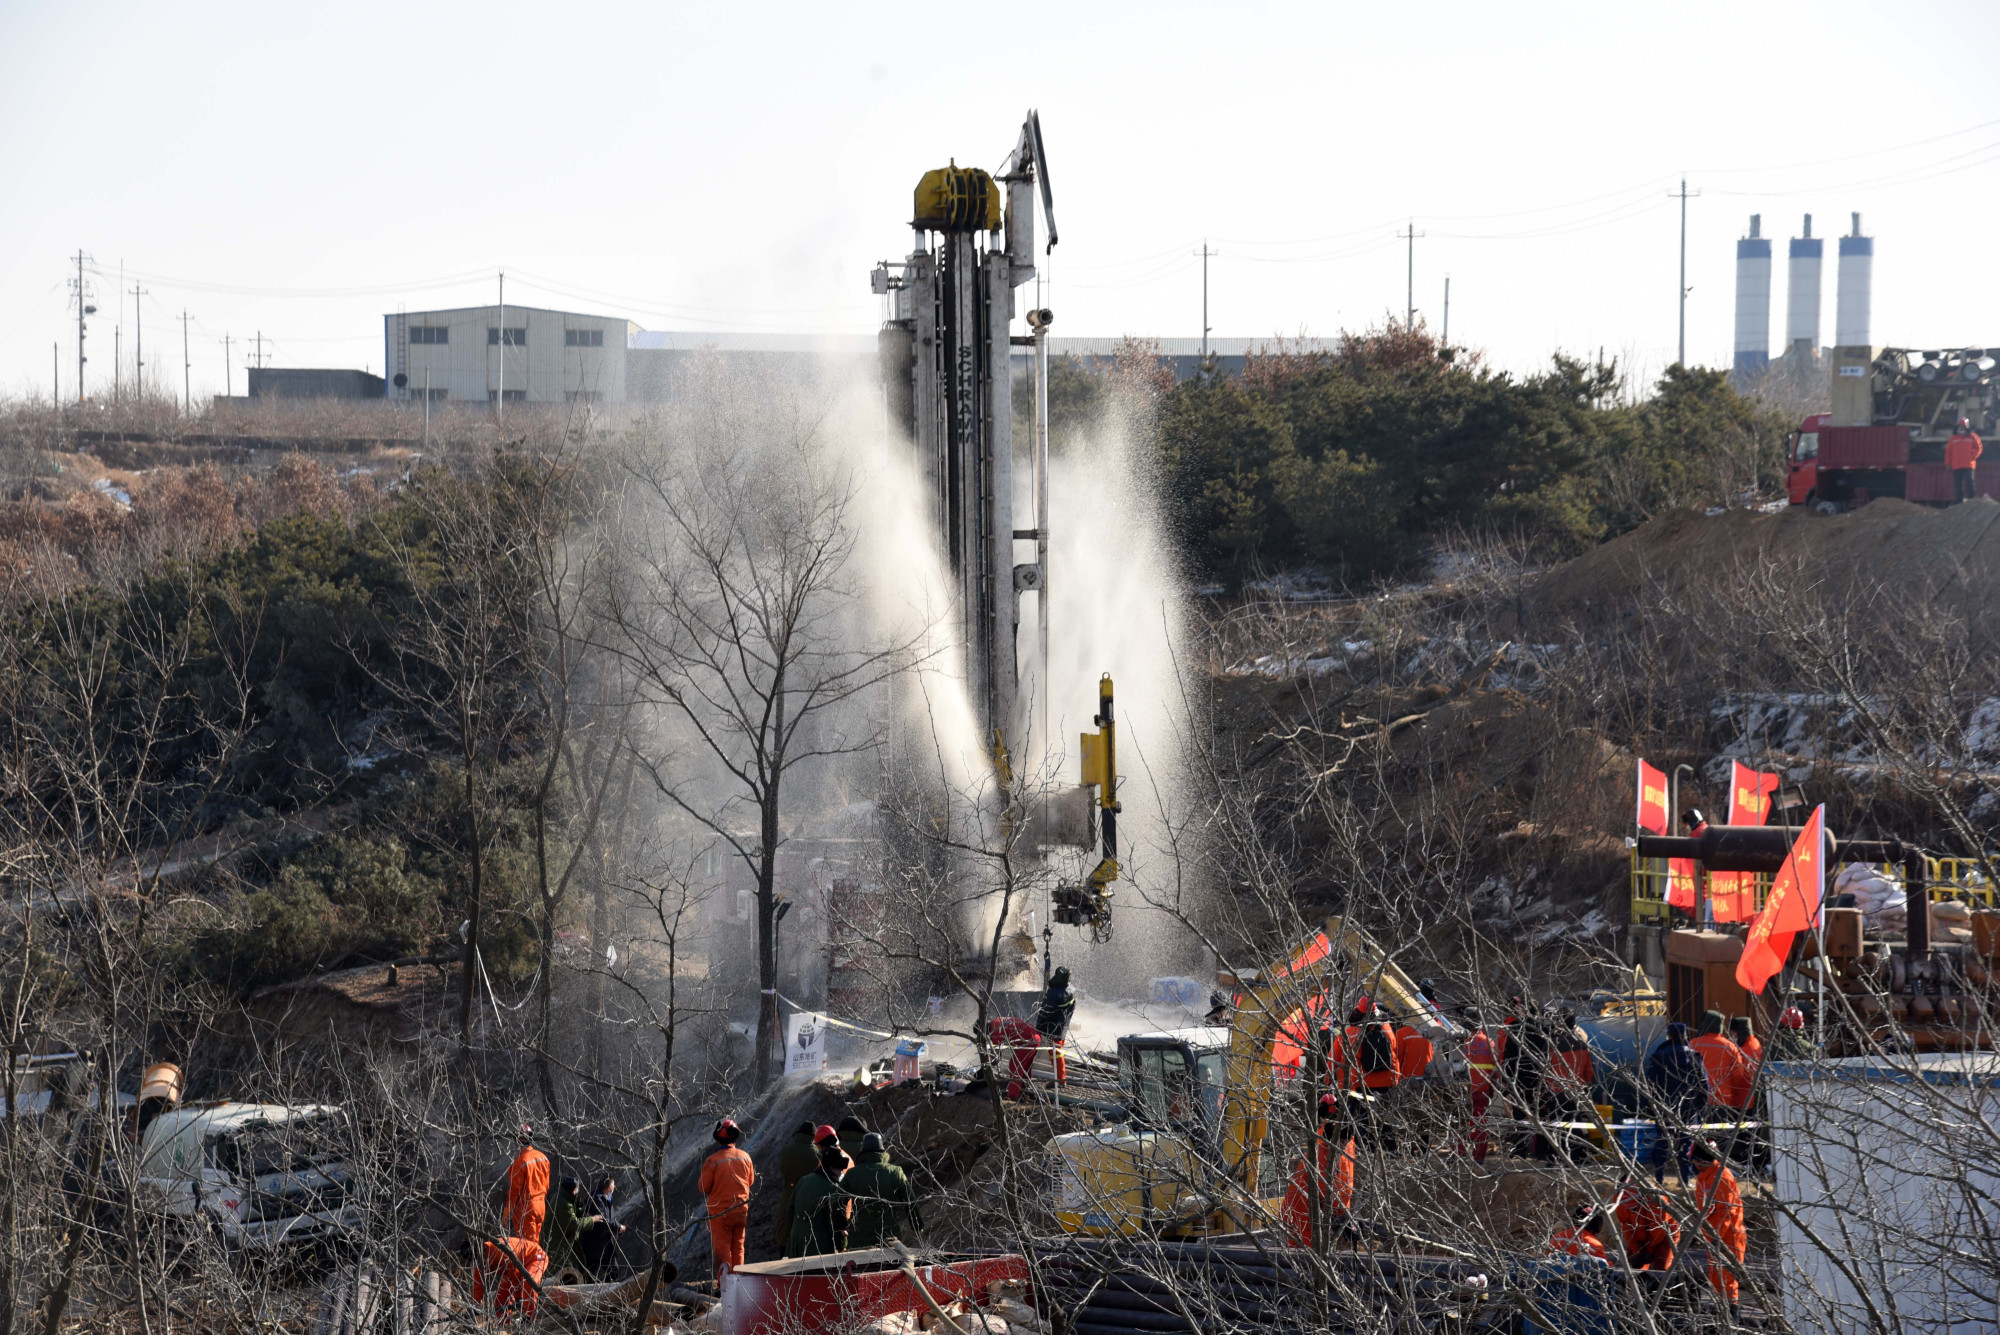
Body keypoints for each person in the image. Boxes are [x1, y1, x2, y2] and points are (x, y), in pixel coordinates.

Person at [1280, 1094, 1357, 1247]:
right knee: (1306, 1254)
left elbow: (1343, 1183)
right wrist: (1341, 1216)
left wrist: (1344, 1215)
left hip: (1312, 1207)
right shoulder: (1325, 1146)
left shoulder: (1342, 1143)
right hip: (1304, 1209)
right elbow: (1326, 1186)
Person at [1645, 1022, 1708, 1183]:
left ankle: (1659, 1179)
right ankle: (1685, 1181)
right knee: (1685, 1144)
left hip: (1663, 1106)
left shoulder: (1658, 1056)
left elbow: (1649, 1083)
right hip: (1687, 1107)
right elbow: (1703, 1084)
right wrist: (1701, 1106)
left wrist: (1651, 1107)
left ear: (1669, 1036)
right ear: (1685, 1035)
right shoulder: (1694, 1056)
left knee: (1662, 1142)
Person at [1692, 1139, 1748, 1311]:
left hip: (1728, 1237)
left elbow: (1725, 1213)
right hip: (1715, 1236)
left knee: (1728, 1281)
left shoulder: (1721, 1177)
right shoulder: (1706, 1176)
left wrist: (1713, 1237)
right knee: (1716, 1279)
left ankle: (1731, 1316)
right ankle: (1721, 1316)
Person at [843, 1132, 922, 1249]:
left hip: (859, 1237)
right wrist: (917, 1225)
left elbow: (836, 1202)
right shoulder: (895, 1172)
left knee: (861, 1267)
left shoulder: (852, 1174)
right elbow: (909, 1200)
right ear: (882, 1151)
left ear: (863, 1151)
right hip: (889, 1237)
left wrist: (841, 1226)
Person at [698, 1118, 755, 1277]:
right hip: (741, 1210)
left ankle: (725, 1287)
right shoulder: (745, 1157)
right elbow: (750, 1181)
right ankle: (740, 1282)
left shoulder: (713, 1160)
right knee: (738, 1247)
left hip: (720, 1212)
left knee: (722, 1249)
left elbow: (703, 1187)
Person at [790, 1143, 852, 1257]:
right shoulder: (833, 1189)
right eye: (839, 1170)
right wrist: (842, 1245)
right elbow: (837, 1221)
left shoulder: (804, 1180)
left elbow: (790, 1210)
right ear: (832, 1169)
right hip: (819, 1247)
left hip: (796, 1244)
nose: (841, 1173)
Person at [1612, 1173, 1680, 1271]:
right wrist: (1637, 1251)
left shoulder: (1655, 1199)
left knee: (1661, 1269)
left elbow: (1658, 1228)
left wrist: (1649, 1250)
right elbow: (1626, 1227)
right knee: (1632, 1266)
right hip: (1639, 1233)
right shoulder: (1619, 1198)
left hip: (1666, 1234)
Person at [1690, 1011, 1754, 1114]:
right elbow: (1738, 1076)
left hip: (1697, 1098)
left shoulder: (1693, 1044)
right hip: (1721, 1100)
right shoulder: (1731, 1047)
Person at [545, 1177, 606, 1283]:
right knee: (564, 1272)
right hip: (557, 1243)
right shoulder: (562, 1203)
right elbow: (574, 1224)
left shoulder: (564, 1197)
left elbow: (573, 1212)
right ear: (573, 1190)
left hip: (564, 1240)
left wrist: (582, 1213)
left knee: (574, 1269)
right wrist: (592, 1219)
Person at [775, 1122, 821, 1257]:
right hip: (810, 1195)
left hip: (789, 1192)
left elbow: (783, 1171)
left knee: (786, 1231)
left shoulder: (786, 1151)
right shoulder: (818, 1154)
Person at [476, 1235, 549, 1320]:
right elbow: (477, 1283)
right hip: (517, 1266)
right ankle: (502, 1324)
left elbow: (515, 1275)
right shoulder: (478, 1259)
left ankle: (530, 1317)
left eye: (479, 1261)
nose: (479, 1264)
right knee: (501, 1295)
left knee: (528, 1281)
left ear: (482, 1253)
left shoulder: (499, 1250)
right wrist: (475, 1305)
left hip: (536, 1257)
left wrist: (518, 1296)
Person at [1462, 1008, 1500, 1162]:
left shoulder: (1460, 1042)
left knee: (1460, 1123)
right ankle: (1478, 1157)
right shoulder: (1489, 1042)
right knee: (1481, 1124)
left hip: (1463, 1090)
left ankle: (1459, 1155)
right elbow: (1495, 1069)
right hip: (1483, 1089)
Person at [505, 1125, 551, 1246]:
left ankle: (527, 1265)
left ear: (517, 1140)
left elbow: (514, 1192)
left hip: (527, 1207)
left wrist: (506, 1215)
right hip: (541, 1205)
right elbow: (546, 1185)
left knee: (527, 1246)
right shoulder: (543, 1157)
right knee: (536, 1243)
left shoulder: (520, 1162)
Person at [579, 1176, 628, 1279]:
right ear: (609, 1188)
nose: (615, 1187)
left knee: (613, 1271)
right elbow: (602, 1221)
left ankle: (608, 1293)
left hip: (606, 1244)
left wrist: (618, 1228)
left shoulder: (607, 1199)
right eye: (613, 1185)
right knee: (592, 1276)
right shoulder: (596, 1199)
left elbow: (611, 1219)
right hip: (594, 1245)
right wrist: (618, 1227)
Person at [1034, 965, 1078, 1083]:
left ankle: (1060, 1080)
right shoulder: (1072, 989)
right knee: (1057, 1052)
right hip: (1063, 1026)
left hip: (1054, 1027)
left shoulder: (1054, 993)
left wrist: (1038, 1026)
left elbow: (1046, 1012)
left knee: (1056, 1053)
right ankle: (1059, 1078)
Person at [1949, 417, 1984, 503]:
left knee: (1969, 482)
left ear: (1966, 427)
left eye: (1963, 426)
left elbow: (1979, 448)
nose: (1961, 428)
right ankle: (1959, 500)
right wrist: (1948, 463)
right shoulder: (1953, 439)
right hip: (1956, 465)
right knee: (1958, 485)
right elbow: (1948, 452)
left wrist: (1973, 456)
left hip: (1969, 464)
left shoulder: (1973, 437)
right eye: (1960, 426)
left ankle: (1971, 499)